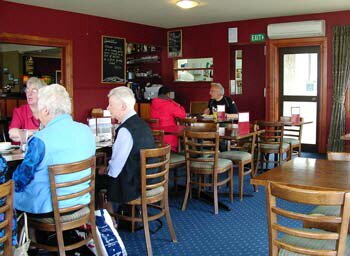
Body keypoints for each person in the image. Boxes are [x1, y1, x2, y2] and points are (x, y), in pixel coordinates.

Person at [13, 84, 95, 216]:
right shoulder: (87, 131)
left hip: (48, 209)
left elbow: (21, 179)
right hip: (80, 201)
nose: (38, 116)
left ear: (46, 111)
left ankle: (28, 235)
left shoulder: (39, 140)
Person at [106, 86, 155, 212]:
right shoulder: (142, 124)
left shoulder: (125, 130)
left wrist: (103, 170)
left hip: (134, 186)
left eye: (111, 104)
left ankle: (107, 222)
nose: (108, 108)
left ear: (123, 107)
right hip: (150, 180)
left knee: (94, 182)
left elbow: (115, 170)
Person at [9, 77, 47, 142]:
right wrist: (36, 132)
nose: (29, 94)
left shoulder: (48, 110)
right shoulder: (20, 111)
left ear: (42, 93)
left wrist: (23, 135)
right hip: (25, 150)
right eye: (27, 90)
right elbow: (12, 133)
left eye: (34, 91)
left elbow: (54, 132)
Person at [150, 86, 186, 152]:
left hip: (155, 138)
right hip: (168, 140)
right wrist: (177, 104)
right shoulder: (169, 104)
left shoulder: (153, 103)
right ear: (168, 94)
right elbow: (183, 115)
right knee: (182, 129)